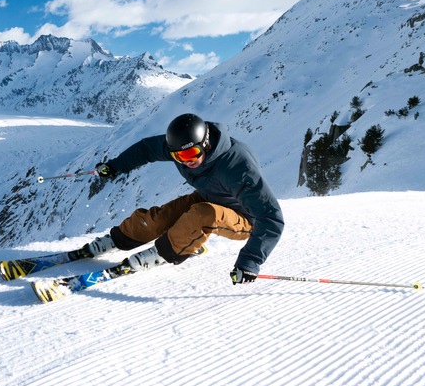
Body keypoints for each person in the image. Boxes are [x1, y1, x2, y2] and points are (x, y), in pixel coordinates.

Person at [82, 113, 284, 284]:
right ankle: (120, 238)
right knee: (163, 217)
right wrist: (116, 166)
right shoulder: (179, 147)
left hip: (246, 219)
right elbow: (146, 149)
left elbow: (271, 217)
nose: (188, 161)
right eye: (179, 157)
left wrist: (250, 261)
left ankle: (165, 252)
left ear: (205, 144)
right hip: (210, 196)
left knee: (202, 214)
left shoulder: (237, 168)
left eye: (192, 153)